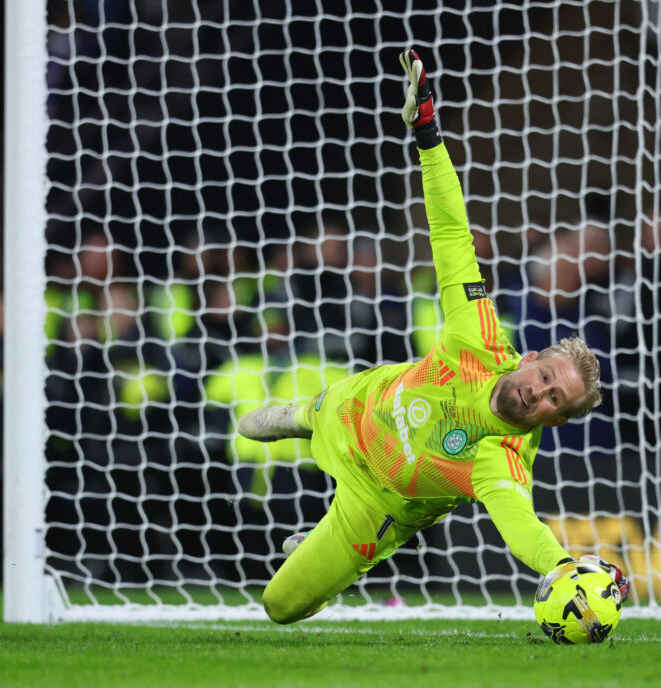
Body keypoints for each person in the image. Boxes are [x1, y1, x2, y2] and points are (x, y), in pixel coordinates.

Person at [238, 49, 628, 624]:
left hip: (375, 506)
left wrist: (564, 569)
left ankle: (325, 548)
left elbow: (523, 526)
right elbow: (450, 230)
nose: (537, 394)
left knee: (280, 606)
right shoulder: (478, 331)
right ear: (534, 358)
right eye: (545, 378)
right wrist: (428, 134)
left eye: (553, 400)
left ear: (555, 419)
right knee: (285, 419)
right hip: (354, 410)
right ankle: (302, 415)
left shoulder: (501, 459)